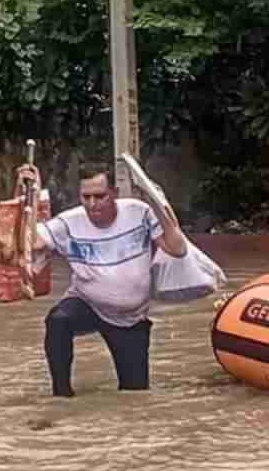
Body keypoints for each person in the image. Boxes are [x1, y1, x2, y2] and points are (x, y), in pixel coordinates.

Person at [17, 163, 188, 397]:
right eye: (86, 197)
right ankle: (61, 396)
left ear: (114, 194)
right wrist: (29, 196)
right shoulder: (70, 222)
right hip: (87, 303)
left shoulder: (140, 212)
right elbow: (28, 243)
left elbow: (177, 249)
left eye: (100, 196)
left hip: (130, 318)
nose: (92, 204)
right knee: (58, 321)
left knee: (135, 395)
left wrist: (161, 207)